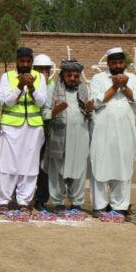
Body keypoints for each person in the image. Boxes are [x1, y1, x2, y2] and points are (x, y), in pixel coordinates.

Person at [88, 47, 136, 219]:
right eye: (114, 62)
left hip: (125, 132)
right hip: (102, 131)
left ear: (124, 63)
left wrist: (125, 86)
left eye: (120, 62)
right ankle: (99, 206)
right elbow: (96, 102)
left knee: (123, 167)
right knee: (100, 166)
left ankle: (119, 206)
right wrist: (114, 86)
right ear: (108, 63)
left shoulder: (132, 78)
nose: (118, 65)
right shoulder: (98, 78)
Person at [0, 47, 47, 214]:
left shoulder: (39, 77)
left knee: (29, 167)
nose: (25, 64)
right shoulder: (7, 77)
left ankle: (24, 201)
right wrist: (19, 86)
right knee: (7, 165)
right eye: (22, 61)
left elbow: (41, 103)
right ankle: (3, 201)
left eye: (28, 61)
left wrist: (31, 87)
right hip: (11, 127)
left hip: (33, 127)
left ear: (32, 62)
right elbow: (7, 102)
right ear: (16, 61)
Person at [46, 59, 92, 212]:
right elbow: (45, 113)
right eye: (69, 75)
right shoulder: (53, 89)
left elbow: (90, 114)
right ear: (63, 75)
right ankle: (58, 202)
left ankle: (77, 203)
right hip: (59, 137)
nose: (72, 78)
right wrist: (56, 111)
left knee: (79, 170)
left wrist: (90, 110)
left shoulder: (85, 90)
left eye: (76, 76)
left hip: (80, 137)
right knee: (57, 170)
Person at [32, 54, 54, 209]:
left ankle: (41, 198)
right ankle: (22, 196)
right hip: (30, 129)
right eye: (40, 69)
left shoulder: (54, 85)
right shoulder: (29, 83)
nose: (43, 73)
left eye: (46, 70)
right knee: (27, 164)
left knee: (44, 167)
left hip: (48, 130)